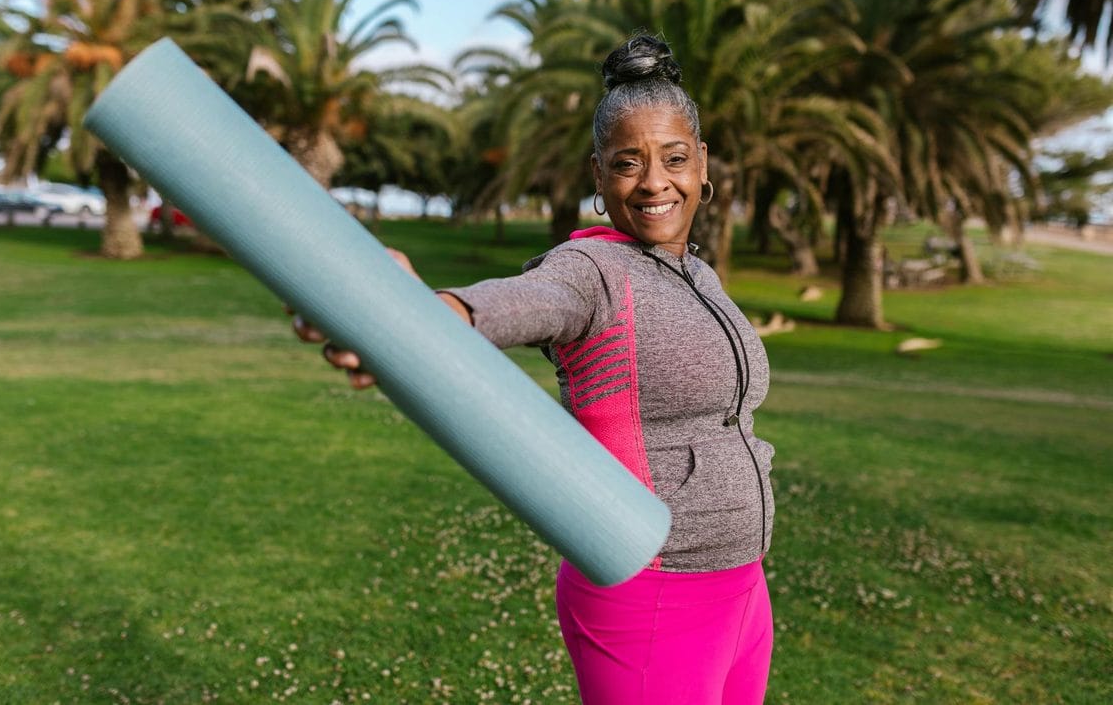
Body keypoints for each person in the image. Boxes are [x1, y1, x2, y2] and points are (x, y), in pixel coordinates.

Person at [293, 34, 775, 705]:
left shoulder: (700, 274)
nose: (655, 182)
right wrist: (406, 313)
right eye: (628, 163)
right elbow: (510, 303)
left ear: (701, 163)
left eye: (673, 158)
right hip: (651, 592)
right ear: (599, 178)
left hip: (744, 589)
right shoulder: (590, 273)